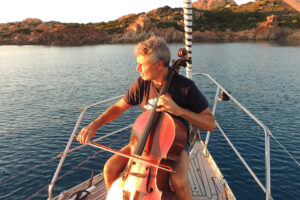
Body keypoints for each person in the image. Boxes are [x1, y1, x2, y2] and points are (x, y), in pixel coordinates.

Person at [77, 36, 216, 200]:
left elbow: (210, 124)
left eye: (142, 64)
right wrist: (95, 124)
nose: (137, 68)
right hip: (142, 142)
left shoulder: (186, 87)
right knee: (110, 168)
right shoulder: (142, 84)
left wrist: (179, 111)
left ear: (159, 65)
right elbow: (118, 107)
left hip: (173, 145)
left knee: (179, 181)